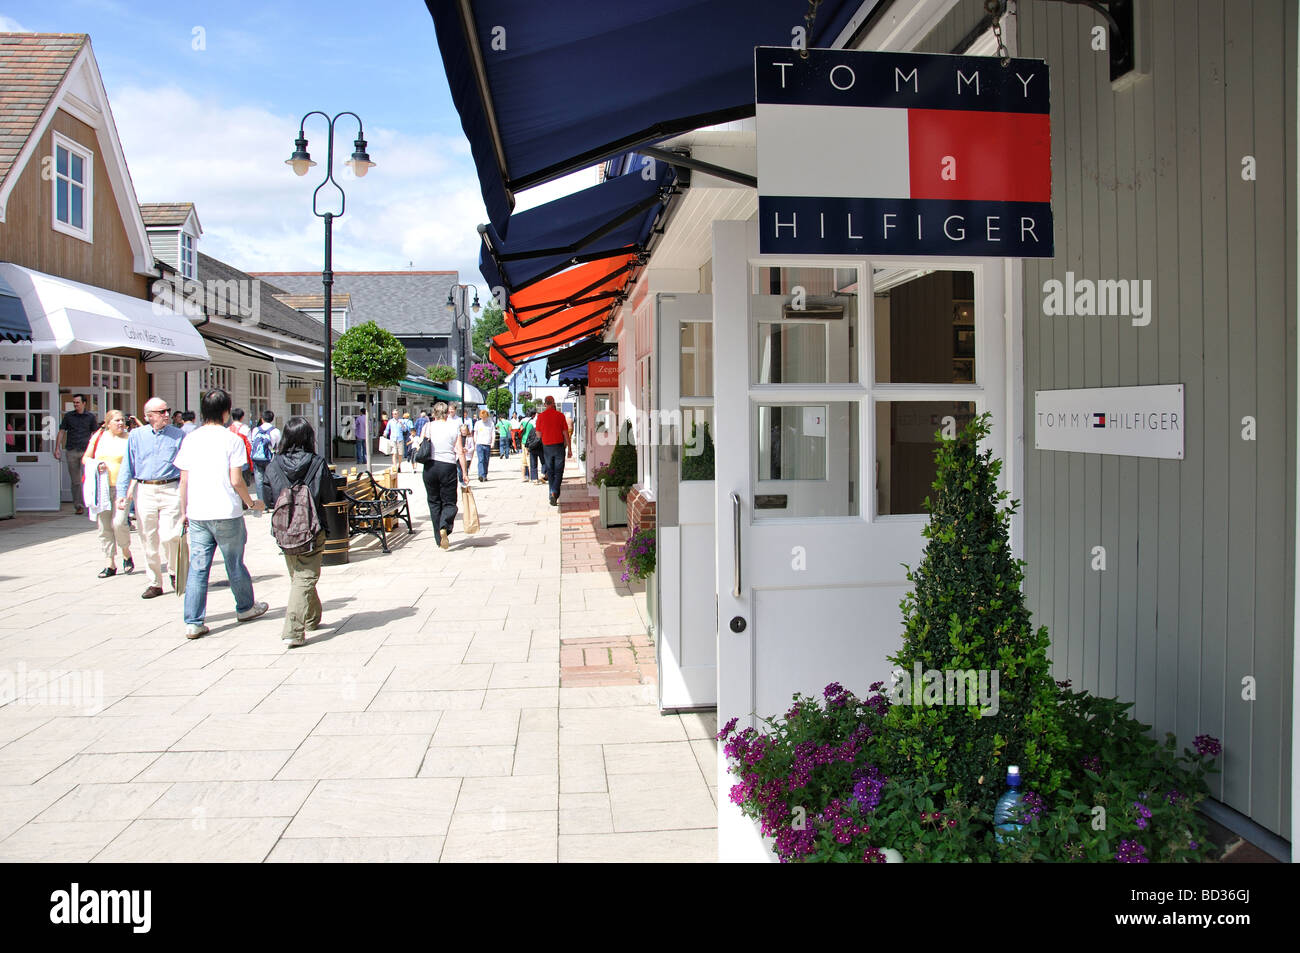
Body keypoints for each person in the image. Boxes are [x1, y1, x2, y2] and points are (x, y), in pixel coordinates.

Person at [175, 388, 268, 639]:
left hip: (197, 512)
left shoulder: (190, 439)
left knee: (198, 568)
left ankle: (193, 621)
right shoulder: (232, 440)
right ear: (226, 412)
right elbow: (237, 480)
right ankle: (245, 607)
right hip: (226, 511)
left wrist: (184, 511)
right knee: (234, 563)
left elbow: (183, 480)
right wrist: (251, 503)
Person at [261, 415, 338, 648]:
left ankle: (312, 617)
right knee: (305, 576)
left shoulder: (274, 464)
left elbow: (267, 497)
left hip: (285, 529)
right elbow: (329, 496)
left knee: (299, 575)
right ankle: (293, 629)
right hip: (312, 528)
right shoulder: (316, 462)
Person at [117, 397, 185, 598]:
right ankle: (155, 581)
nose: (166, 415)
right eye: (161, 412)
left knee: (170, 535)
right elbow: (127, 466)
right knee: (147, 537)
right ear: (148, 416)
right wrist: (122, 494)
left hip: (171, 487)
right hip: (145, 488)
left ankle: (173, 570)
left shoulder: (178, 435)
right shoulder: (136, 436)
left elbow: (186, 467)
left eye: (167, 411)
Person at [84, 410, 133, 578]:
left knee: (119, 523)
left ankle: (126, 551)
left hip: (122, 488)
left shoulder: (129, 438)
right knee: (104, 526)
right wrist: (97, 464)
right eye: (117, 420)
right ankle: (109, 562)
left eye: (122, 420)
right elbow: (86, 458)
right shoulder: (98, 437)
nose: (121, 423)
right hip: (102, 487)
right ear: (107, 423)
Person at [420, 402, 468, 550]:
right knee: (449, 501)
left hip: (430, 467)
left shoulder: (428, 427)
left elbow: (420, 445)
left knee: (434, 502)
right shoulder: (453, 427)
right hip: (447, 466)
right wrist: (464, 473)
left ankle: (439, 539)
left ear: (434, 413)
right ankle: (445, 526)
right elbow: (460, 451)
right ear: (448, 413)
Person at [56, 394, 97, 515]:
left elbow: (95, 433)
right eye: (74, 402)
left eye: (77, 402)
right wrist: (57, 448)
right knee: (76, 481)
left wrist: (96, 450)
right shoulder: (69, 416)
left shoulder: (90, 417)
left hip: (86, 451)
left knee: (89, 478)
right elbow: (62, 431)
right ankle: (78, 505)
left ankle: (90, 503)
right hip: (72, 450)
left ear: (84, 403)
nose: (75, 404)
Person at [536, 395, 573, 506]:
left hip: (547, 447)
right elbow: (566, 433)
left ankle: (552, 494)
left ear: (545, 404)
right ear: (553, 403)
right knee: (559, 471)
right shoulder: (560, 416)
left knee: (550, 472)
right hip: (558, 446)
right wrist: (569, 448)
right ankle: (554, 493)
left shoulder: (541, 417)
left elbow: (538, 435)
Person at [250, 410, 281, 501]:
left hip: (257, 459)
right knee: (271, 480)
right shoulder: (275, 431)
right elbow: (278, 446)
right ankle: (270, 501)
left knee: (259, 481)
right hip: (270, 459)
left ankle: (262, 502)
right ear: (272, 419)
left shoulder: (256, 430)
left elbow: (252, 442)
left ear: (262, 419)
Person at [522, 409, 543, 484]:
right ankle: (543, 474)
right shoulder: (542, 430)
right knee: (544, 462)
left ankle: (534, 479)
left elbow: (528, 438)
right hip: (540, 448)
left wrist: (527, 447)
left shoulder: (531, 429)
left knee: (533, 463)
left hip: (532, 447)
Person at [473, 408, 493, 482]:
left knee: (486, 460)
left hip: (487, 444)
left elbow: (492, 433)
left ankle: (485, 474)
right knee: (481, 460)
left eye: (485, 417)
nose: (484, 419)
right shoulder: (478, 423)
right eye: (482, 417)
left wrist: (492, 442)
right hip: (479, 443)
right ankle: (481, 475)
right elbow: (475, 433)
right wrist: (475, 442)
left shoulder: (491, 423)